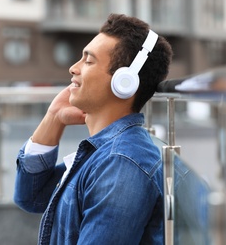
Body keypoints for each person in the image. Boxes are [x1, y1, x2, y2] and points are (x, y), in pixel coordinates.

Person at [14, 13, 173, 244]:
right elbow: (30, 196)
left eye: (88, 61)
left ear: (124, 81)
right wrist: (54, 117)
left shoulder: (121, 164)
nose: (73, 68)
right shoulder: (105, 152)